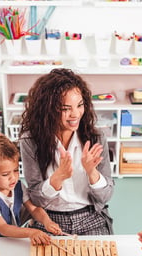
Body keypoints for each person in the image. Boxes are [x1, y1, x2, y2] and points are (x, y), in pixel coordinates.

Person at [19, 68, 114, 235]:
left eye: (80, 105)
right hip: (49, 219)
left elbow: (105, 196)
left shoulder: (96, 138)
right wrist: (58, 177)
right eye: (65, 108)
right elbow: (36, 198)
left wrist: (92, 173)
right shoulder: (30, 141)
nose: (75, 114)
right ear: (48, 109)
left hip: (91, 218)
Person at [0, 133, 61, 245]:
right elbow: (3, 228)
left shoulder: (17, 185)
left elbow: (34, 209)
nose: (13, 177)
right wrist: (30, 232)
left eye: (16, 170)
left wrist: (47, 222)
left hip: (11, 239)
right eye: (5, 174)